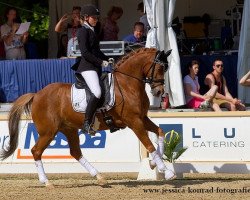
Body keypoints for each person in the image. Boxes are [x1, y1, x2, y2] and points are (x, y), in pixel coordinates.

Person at [73, 5, 111, 135]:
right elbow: (85, 53)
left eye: (97, 17)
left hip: (95, 67)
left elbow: (96, 51)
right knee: (97, 92)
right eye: (93, 17)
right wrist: (101, 62)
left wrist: (108, 58)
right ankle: (86, 123)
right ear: (85, 18)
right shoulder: (82, 31)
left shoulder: (92, 30)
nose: (96, 20)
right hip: (87, 67)